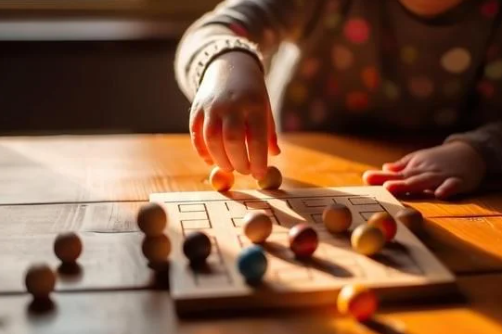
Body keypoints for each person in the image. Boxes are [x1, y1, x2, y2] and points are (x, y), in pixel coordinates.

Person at [175, 0, 502, 199]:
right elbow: (215, 28)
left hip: (438, 196)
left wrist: (478, 152)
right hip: (302, 179)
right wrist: (227, 62)